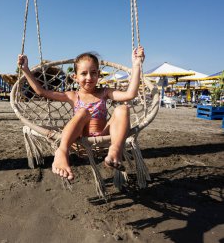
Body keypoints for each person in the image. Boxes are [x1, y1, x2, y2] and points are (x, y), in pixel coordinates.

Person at [17, 46, 145, 180]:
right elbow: (41, 92)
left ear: (98, 75)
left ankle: (115, 150)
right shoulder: (73, 96)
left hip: (104, 138)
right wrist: (25, 69)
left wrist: (136, 65)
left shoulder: (105, 92)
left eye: (93, 72)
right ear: (75, 77)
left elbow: (130, 94)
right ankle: (62, 151)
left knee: (123, 109)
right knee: (83, 112)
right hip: (79, 140)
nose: (89, 77)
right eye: (84, 73)